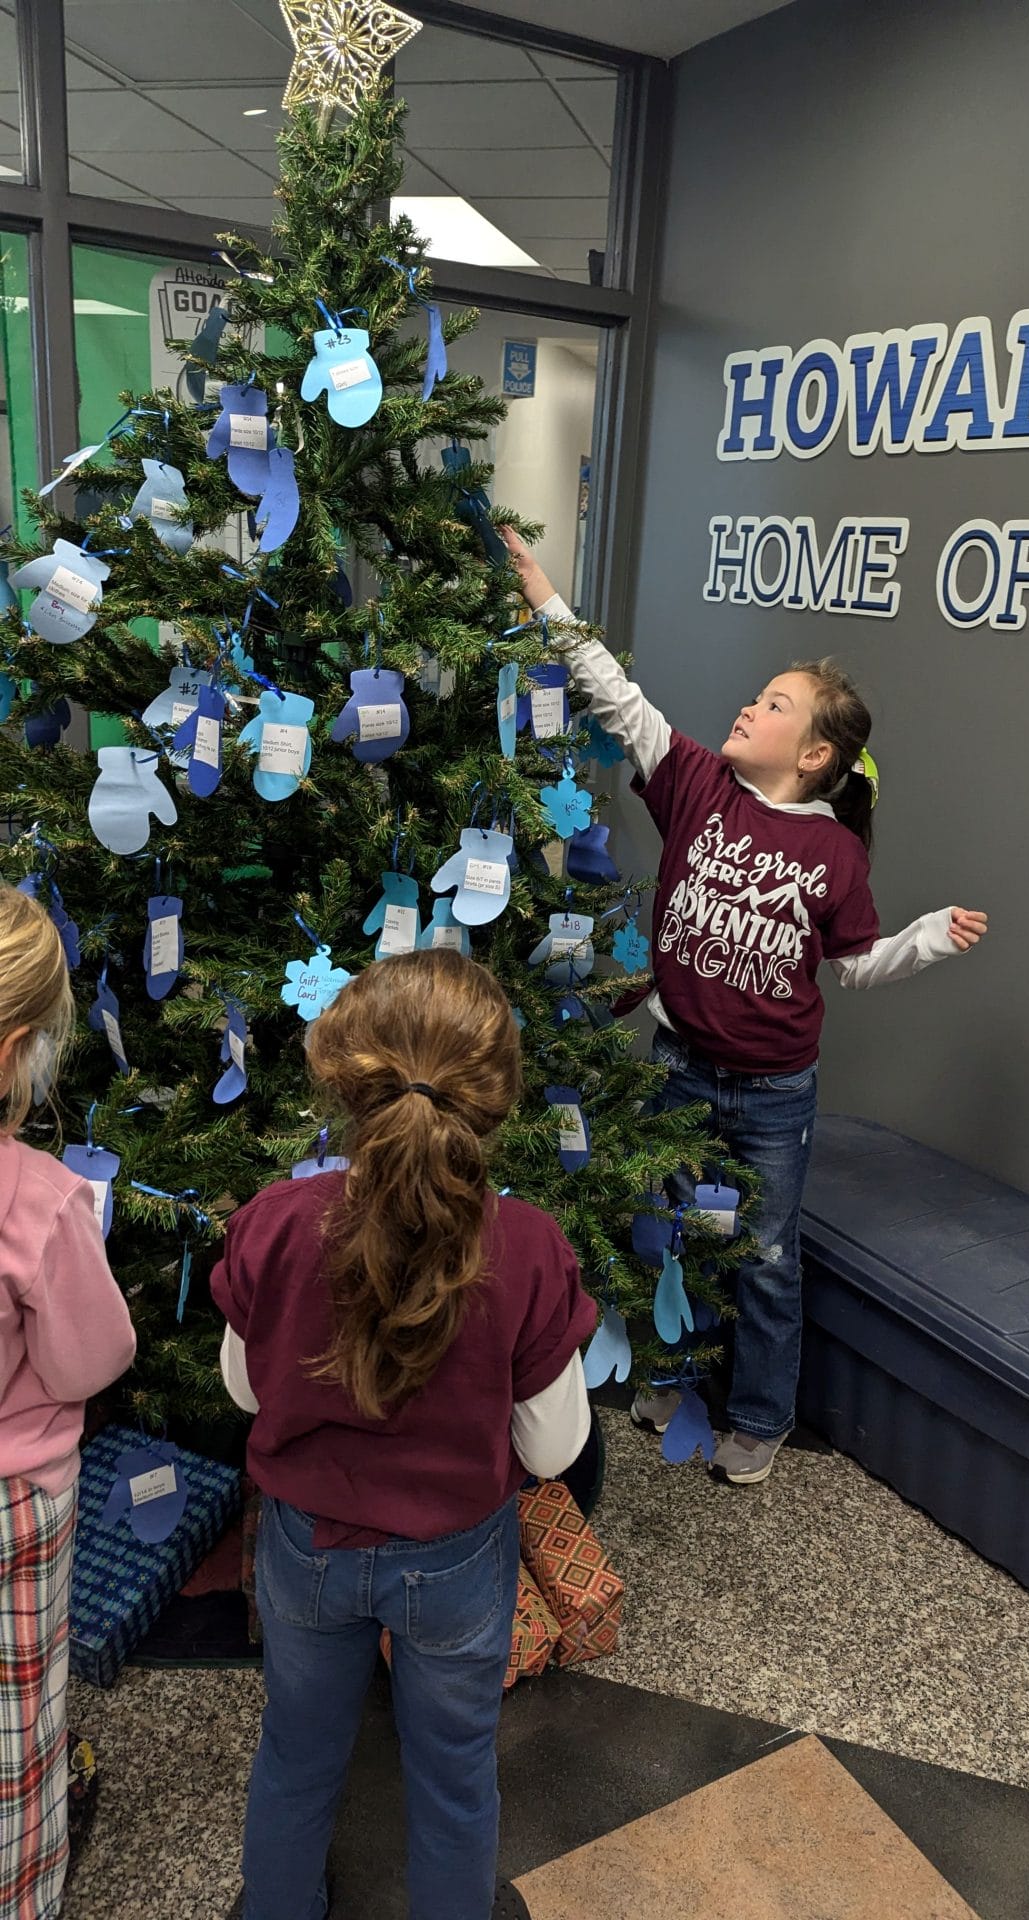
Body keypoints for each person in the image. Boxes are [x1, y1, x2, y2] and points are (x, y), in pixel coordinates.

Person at [503, 527, 988, 1486]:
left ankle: (761, 1417)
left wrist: (928, 939)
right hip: (679, 1067)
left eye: (772, 705)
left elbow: (853, 967)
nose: (747, 706)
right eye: (757, 695)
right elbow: (620, 698)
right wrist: (549, 604)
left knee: (764, 1256)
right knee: (668, 1231)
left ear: (812, 755)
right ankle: (672, 1383)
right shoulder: (695, 786)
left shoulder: (837, 856)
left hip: (774, 1096)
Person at [212, 950, 596, 1920]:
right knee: (456, 1773)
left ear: (343, 1080)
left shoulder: (273, 1222)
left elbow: (245, 1390)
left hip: (306, 1548)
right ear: (496, 1100)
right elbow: (552, 1451)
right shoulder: (533, 1248)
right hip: (458, 1560)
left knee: (296, 1755)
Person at [0, 886, 136, 1920]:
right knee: (16, 1739)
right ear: (16, 1049)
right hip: (15, 1505)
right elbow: (92, 1358)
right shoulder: (38, 1197)